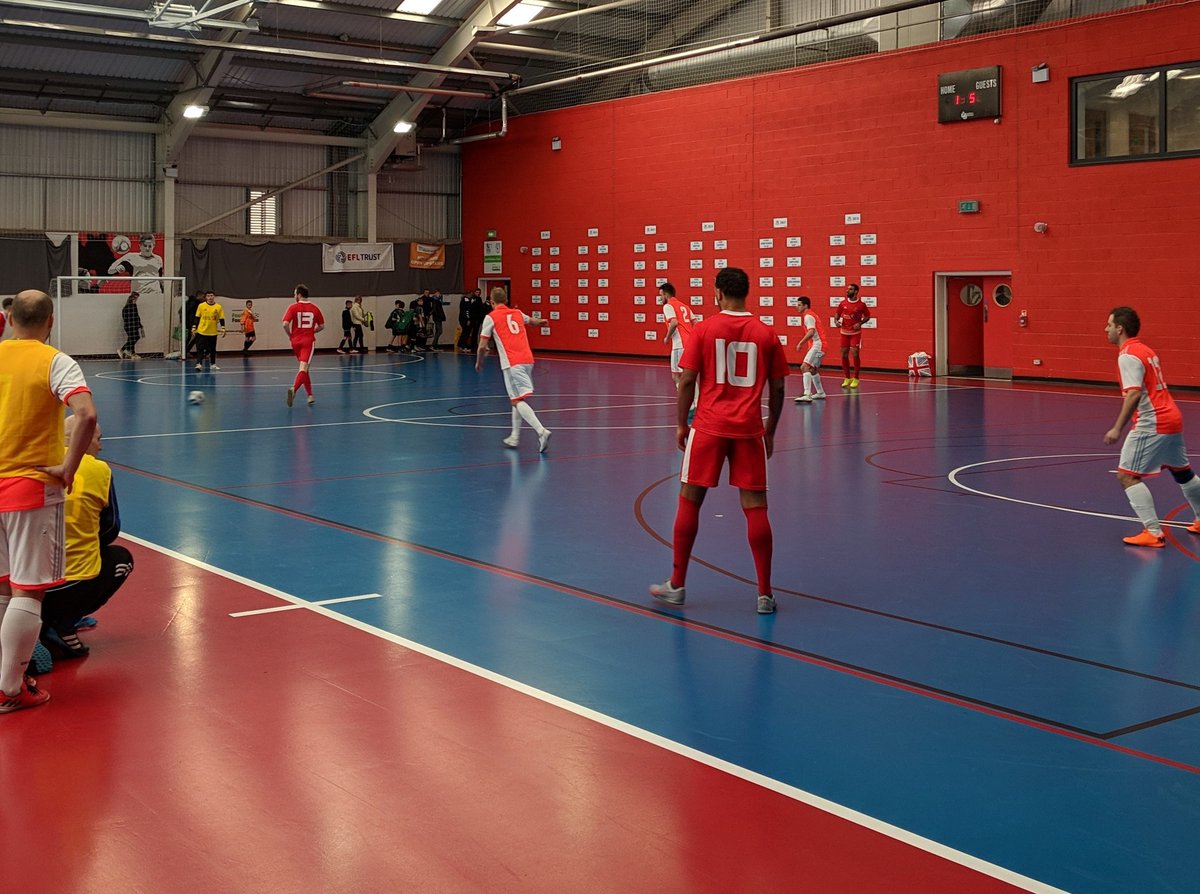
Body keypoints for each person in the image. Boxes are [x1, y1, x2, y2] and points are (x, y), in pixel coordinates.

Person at [649, 267, 788, 615]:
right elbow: (781, 387)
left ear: (718, 293)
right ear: (747, 292)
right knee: (756, 506)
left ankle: (677, 585)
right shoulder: (767, 333)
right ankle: (765, 594)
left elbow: (686, 381)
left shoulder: (704, 330)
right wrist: (769, 431)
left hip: (709, 427)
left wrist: (682, 425)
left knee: (689, 500)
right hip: (749, 430)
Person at [0, 289, 98, 713]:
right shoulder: (54, 360)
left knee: (4, 585)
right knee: (28, 590)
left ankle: (6, 676)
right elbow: (86, 414)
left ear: (9, 319)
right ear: (50, 320)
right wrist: (68, 466)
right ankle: (10, 689)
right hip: (30, 487)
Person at [1102, 306, 1200, 547]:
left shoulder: (1127, 355)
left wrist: (1117, 427)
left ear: (1120, 328)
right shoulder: (1145, 349)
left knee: (1127, 476)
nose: (1106, 329)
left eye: (1108, 324)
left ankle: (1153, 532)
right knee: (1183, 473)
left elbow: (1134, 394)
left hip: (1153, 422)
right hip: (1171, 418)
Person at [40, 416, 134, 660]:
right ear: (81, 439)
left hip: (22, 584)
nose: (100, 447)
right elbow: (111, 527)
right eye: (97, 439)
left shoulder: (34, 463)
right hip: (70, 583)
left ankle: (31, 622)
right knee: (121, 559)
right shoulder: (99, 469)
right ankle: (65, 623)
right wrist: (82, 538)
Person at [475, 286, 552, 453]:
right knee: (516, 397)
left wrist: (479, 361)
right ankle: (515, 436)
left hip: (512, 363)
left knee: (516, 400)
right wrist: (542, 322)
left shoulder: (491, 317)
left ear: (491, 302)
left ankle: (541, 431)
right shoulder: (517, 313)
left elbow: (482, 346)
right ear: (506, 301)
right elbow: (532, 321)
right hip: (527, 360)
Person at [283, 284, 324, 407]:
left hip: (295, 341)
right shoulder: (315, 308)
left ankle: (310, 395)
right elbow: (322, 326)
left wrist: (290, 335)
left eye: (294, 294)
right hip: (308, 341)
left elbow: (285, 324)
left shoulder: (293, 307)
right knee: (303, 368)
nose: (294, 296)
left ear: (299, 295)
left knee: (305, 368)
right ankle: (294, 389)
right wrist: (313, 331)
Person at [660, 282, 695, 389]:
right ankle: (696, 401)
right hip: (690, 344)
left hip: (679, 345)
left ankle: (685, 401)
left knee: (676, 375)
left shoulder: (668, 306)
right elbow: (696, 323)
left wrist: (667, 337)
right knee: (688, 375)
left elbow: (674, 322)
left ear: (666, 295)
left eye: (661, 296)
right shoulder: (685, 306)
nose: (660, 298)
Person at [107, 233, 164, 299]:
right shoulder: (131, 257)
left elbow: (160, 278)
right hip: (138, 296)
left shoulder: (158, 259)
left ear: (153, 245)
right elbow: (110, 271)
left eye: (150, 246)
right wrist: (116, 269)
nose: (147, 248)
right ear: (140, 245)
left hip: (156, 295)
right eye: (145, 246)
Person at [835, 283, 870, 388]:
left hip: (855, 333)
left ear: (855, 291)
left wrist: (860, 323)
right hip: (844, 332)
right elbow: (837, 314)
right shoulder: (843, 303)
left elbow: (867, 316)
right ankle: (847, 378)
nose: (847, 291)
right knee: (844, 354)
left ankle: (856, 378)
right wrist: (836, 321)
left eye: (850, 289)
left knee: (855, 353)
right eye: (847, 289)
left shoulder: (861, 305)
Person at [793, 295, 827, 402]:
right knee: (812, 370)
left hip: (818, 345)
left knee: (804, 367)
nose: (797, 307)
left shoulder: (808, 316)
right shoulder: (812, 315)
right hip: (821, 345)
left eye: (799, 305)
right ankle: (820, 392)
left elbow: (811, 332)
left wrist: (801, 343)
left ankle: (807, 394)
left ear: (805, 305)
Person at [192, 290, 225, 372]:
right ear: (206, 297)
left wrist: (223, 328)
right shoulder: (201, 306)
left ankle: (213, 364)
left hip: (213, 332)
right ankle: (199, 364)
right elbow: (197, 317)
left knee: (212, 349)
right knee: (200, 348)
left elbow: (221, 318)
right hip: (202, 331)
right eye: (208, 296)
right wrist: (194, 327)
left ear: (214, 296)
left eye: (211, 295)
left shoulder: (218, 307)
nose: (210, 297)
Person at [119, 291, 144, 359]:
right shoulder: (127, 307)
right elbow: (126, 317)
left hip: (134, 326)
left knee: (132, 338)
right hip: (129, 326)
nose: (136, 300)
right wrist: (132, 323)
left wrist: (140, 324)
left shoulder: (134, 306)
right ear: (132, 298)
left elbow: (137, 316)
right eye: (136, 298)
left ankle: (132, 353)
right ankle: (122, 350)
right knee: (134, 337)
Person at [183, 289, 203, 361]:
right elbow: (192, 315)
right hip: (191, 323)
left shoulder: (189, 302)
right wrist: (193, 324)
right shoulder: (195, 304)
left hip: (188, 323)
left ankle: (185, 351)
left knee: (190, 338)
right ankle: (186, 351)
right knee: (194, 337)